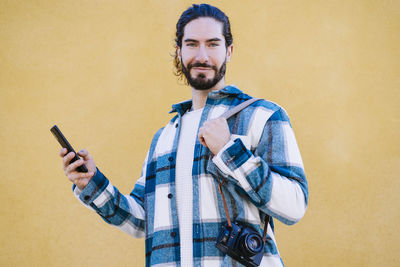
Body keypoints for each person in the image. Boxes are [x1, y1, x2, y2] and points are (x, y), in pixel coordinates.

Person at [60, 4, 308, 267]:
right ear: (179, 52)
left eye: (213, 44)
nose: (202, 55)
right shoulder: (164, 137)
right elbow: (144, 221)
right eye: (191, 44)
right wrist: (91, 183)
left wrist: (229, 151)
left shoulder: (263, 115)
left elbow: (294, 206)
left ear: (229, 51)